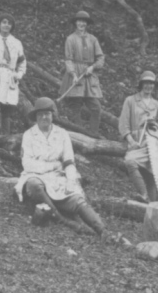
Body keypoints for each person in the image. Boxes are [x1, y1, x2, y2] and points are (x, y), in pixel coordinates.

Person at [15, 97, 107, 237]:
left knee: (77, 199)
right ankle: (61, 219)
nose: (44, 117)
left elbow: (69, 161)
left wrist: (71, 180)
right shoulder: (29, 135)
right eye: (40, 114)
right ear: (36, 117)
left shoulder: (62, 134)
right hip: (36, 174)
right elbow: (27, 164)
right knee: (33, 185)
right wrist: (53, 165)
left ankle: (103, 231)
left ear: (52, 115)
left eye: (47, 114)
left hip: (58, 177)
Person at [119, 71, 158, 202]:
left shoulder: (156, 104)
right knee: (130, 161)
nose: (148, 86)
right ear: (141, 84)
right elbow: (123, 124)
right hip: (137, 142)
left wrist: (156, 125)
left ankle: (153, 207)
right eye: (146, 83)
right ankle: (143, 194)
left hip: (153, 144)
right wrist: (131, 141)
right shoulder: (130, 101)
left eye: (151, 83)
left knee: (151, 177)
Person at [60, 10, 105, 136]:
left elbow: (101, 58)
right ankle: (79, 136)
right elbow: (68, 59)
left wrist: (93, 67)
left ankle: (93, 134)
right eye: (79, 21)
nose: (82, 24)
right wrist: (73, 74)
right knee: (75, 108)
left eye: (84, 21)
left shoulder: (93, 39)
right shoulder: (70, 39)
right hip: (75, 76)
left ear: (87, 24)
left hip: (89, 77)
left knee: (96, 108)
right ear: (75, 23)